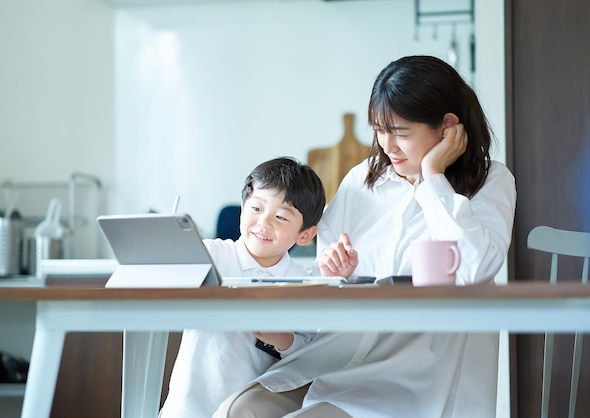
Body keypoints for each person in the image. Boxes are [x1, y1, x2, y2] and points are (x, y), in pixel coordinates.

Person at [214, 55, 517, 417]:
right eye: (379, 129)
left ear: (447, 126)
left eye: (400, 132)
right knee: (241, 409)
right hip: (342, 355)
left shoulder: (490, 182)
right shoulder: (364, 179)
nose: (387, 145)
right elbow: (325, 270)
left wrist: (432, 175)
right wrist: (331, 271)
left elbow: (475, 267)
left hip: (415, 374)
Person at [158, 157, 326, 418]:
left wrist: (281, 338)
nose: (264, 223)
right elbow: (168, 273)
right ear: (243, 207)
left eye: (281, 217)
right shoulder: (212, 254)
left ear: (305, 235)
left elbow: (307, 349)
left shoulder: (300, 282)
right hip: (187, 404)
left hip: (250, 407)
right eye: (256, 208)